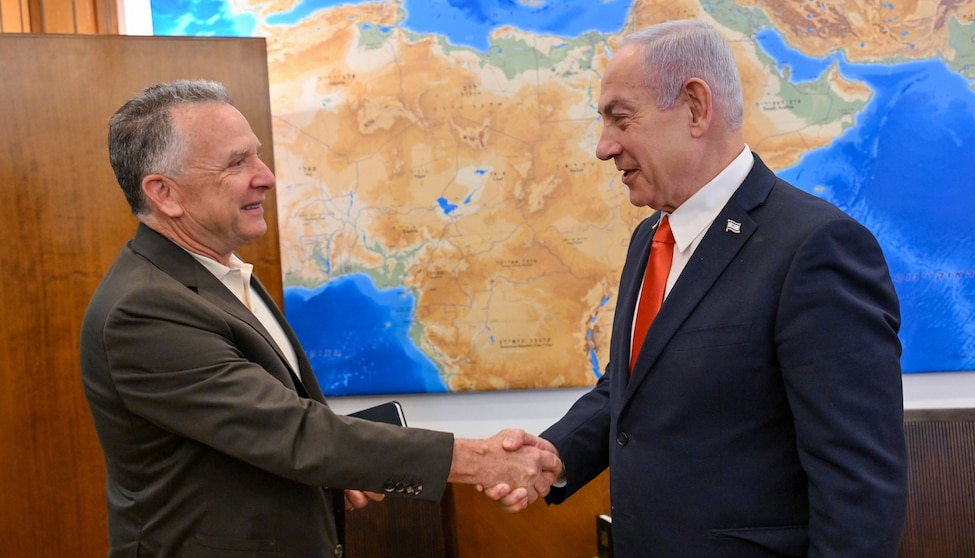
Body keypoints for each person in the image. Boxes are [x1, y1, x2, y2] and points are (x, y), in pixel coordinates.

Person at [79, 79, 561, 558]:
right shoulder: (143, 310)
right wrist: (479, 459)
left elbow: (269, 428)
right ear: (164, 193)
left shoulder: (219, 271)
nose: (266, 176)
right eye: (236, 163)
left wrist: (347, 467)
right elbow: (291, 432)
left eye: (256, 155)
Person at [493, 19, 907, 556]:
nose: (603, 146)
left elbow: (859, 489)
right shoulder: (651, 238)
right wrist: (554, 454)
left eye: (620, 118)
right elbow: (632, 387)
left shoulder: (816, 248)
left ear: (694, 107)